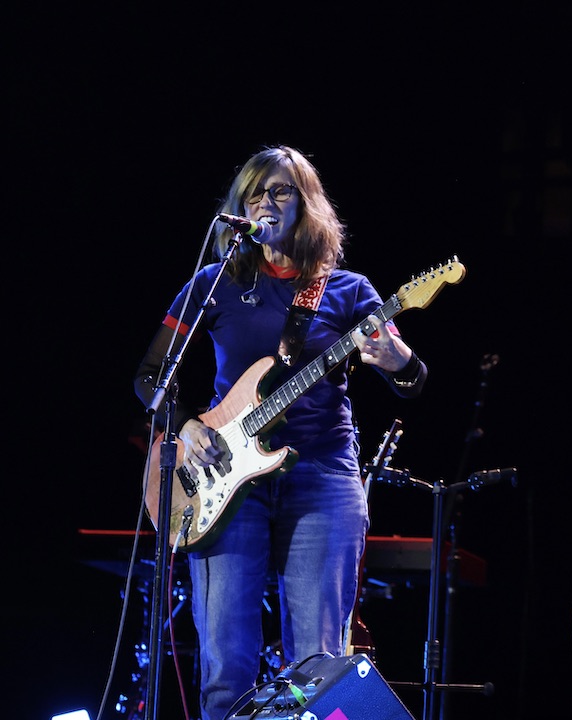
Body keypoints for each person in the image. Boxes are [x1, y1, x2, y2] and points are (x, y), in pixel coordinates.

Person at [134, 145, 428, 719]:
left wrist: (395, 359)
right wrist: (189, 425)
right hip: (221, 473)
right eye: (254, 194)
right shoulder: (211, 283)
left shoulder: (348, 289)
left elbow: (414, 380)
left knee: (317, 666)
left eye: (280, 191)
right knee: (226, 667)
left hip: (321, 476)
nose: (265, 202)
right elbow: (150, 379)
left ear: (307, 204)